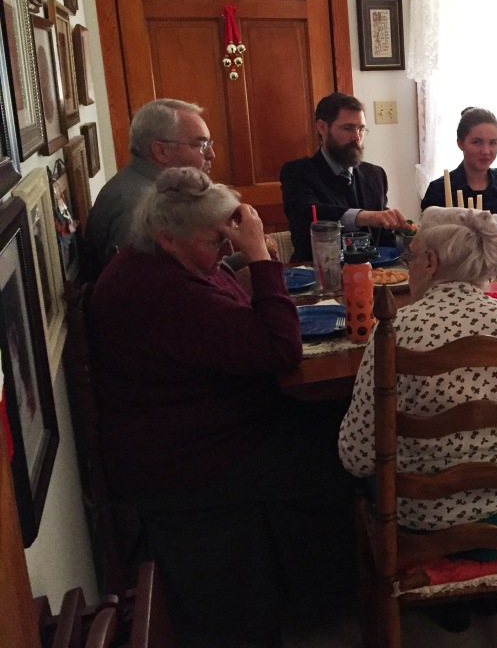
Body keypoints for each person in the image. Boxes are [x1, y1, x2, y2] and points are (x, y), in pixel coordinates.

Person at [89, 167, 353, 645]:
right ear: (168, 238)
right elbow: (280, 350)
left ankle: (308, 590)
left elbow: (226, 306)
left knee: (332, 421)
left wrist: (240, 268)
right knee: (345, 453)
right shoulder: (165, 292)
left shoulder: (156, 263)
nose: (224, 249)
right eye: (216, 241)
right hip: (192, 461)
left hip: (203, 432)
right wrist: (259, 258)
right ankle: (325, 597)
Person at [339, 206, 497, 630]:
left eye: (412, 256)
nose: (410, 265)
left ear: (431, 262)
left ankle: (444, 582)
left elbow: (356, 457)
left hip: (423, 527)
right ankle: (489, 579)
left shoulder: (395, 330)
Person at [85, 99, 215, 274]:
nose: (211, 154)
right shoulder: (138, 206)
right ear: (161, 151)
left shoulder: (153, 189)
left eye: (209, 144)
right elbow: (146, 283)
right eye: (201, 145)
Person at [280, 92, 407, 262]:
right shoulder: (298, 172)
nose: (356, 137)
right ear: (322, 127)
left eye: (361, 129)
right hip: (317, 271)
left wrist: (406, 237)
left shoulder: (375, 174)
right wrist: (365, 216)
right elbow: (308, 213)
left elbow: (385, 240)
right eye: (348, 128)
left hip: (374, 272)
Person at [421, 107, 497, 234]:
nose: (486, 151)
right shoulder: (438, 190)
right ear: (460, 143)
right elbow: (429, 239)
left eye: (493, 143)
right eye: (477, 142)